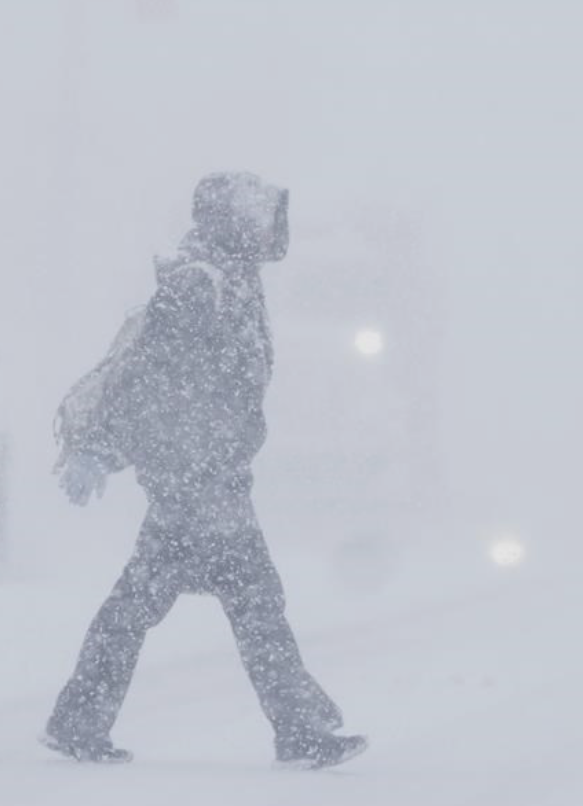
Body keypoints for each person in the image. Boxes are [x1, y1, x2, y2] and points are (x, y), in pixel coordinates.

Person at [42, 172, 368, 769]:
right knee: (254, 603)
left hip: (200, 477)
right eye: (259, 216)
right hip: (198, 483)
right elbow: (149, 380)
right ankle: (297, 728)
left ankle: (78, 719)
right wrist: (109, 452)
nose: (271, 228)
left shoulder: (228, 279)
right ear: (230, 221)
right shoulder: (199, 285)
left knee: (145, 604)